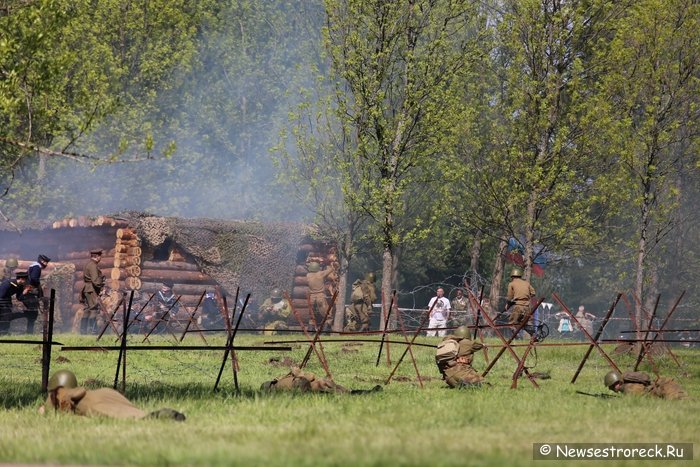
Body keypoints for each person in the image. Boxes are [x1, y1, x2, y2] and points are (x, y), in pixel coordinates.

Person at [40, 369, 185, 420]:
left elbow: (47, 409)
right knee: (127, 408)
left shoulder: (60, 394)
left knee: (120, 414)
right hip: (105, 393)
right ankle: (151, 415)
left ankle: (153, 417)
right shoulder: (91, 391)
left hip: (95, 403)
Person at [261, 367, 382, 395]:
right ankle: (354, 393)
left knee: (326, 382)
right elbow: (307, 378)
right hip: (305, 385)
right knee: (324, 384)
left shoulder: (281, 382)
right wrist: (300, 374)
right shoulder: (281, 384)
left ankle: (354, 392)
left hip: (305, 384)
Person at [604, 371, 688, 400]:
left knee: (683, 401)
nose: (611, 389)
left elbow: (644, 396)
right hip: (662, 385)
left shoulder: (629, 389)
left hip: (664, 388)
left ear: (616, 384)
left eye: (611, 387)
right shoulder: (628, 385)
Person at [20, 254, 50, 334]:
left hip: (29, 292)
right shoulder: (37, 267)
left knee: (32, 312)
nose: (46, 264)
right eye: (46, 262)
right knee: (33, 313)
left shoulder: (32, 266)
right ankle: (29, 332)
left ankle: (30, 332)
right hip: (30, 293)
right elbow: (34, 278)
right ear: (42, 261)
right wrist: (38, 285)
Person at [79, 249, 105, 334]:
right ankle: (93, 331)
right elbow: (95, 280)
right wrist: (101, 285)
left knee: (87, 310)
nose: (100, 258)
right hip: (92, 289)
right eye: (99, 256)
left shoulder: (88, 264)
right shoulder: (93, 265)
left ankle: (83, 331)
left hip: (87, 289)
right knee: (93, 309)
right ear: (97, 257)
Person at [306, 262, 335, 330]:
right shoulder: (320, 274)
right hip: (320, 297)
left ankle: (310, 329)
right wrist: (332, 265)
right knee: (327, 315)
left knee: (312, 315)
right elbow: (330, 270)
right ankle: (326, 330)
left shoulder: (308, 275)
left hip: (312, 298)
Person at [0, 271, 28, 335]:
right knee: (5, 318)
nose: (25, 282)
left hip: (6, 303)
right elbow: (1, 295)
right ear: (21, 279)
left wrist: (24, 293)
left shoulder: (20, 286)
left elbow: (19, 297)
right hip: (2, 302)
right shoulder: (7, 283)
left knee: (7, 318)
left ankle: (3, 334)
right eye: (25, 280)